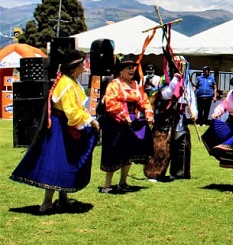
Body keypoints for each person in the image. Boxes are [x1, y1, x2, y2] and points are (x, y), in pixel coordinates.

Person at [10, 49, 100, 213]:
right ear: (74, 68)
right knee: (57, 161)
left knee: (67, 160)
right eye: (82, 65)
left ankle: (63, 199)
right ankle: (47, 202)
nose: (85, 68)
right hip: (60, 128)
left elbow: (76, 108)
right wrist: (90, 120)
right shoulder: (66, 84)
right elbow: (71, 111)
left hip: (66, 125)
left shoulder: (70, 81)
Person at [99, 55, 155, 194]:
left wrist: (148, 113)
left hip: (131, 122)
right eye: (128, 68)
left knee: (128, 152)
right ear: (121, 71)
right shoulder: (114, 84)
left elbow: (144, 101)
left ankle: (123, 182)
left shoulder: (136, 85)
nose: (131, 70)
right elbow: (110, 102)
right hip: (115, 122)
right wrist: (123, 114)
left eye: (133, 68)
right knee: (113, 152)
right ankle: (107, 185)